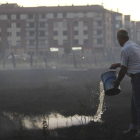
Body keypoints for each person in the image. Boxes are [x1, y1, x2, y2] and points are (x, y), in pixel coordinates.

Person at [110, 28, 140, 137]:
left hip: (137, 78)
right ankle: (133, 129)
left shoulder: (124, 49)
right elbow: (133, 62)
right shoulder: (135, 46)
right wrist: (118, 64)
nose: (118, 41)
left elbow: (123, 70)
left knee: (138, 105)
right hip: (137, 78)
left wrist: (117, 81)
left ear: (120, 38)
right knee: (134, 105)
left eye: (117, 39)